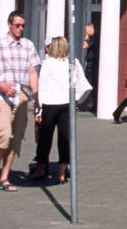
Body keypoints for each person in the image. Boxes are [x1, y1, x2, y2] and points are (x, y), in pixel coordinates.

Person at [0, 11, 41, 191]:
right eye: (17, 25)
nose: (20, 28)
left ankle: (5, 176)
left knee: (16, 138)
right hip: (2, 95)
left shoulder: (28, 45)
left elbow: (32, 72)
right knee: (4, 134)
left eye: (23, 25)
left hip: (22, 95)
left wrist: (37, 97)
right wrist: (1, 85)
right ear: (9, 25)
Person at [29, 36, 90, 183]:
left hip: (50, 105)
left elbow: (42, 87)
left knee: (45, 138)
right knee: (65, 138)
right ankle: (62, 173)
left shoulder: (48, 63)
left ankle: (41, 168)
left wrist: (38, 109)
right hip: (66, 105)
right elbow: (74, 83)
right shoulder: (71, 63)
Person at [79, 21, 99, 113]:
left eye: (86, 30)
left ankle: (83, 104)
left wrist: (86, 36)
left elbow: (85, 46)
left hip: (92, 64)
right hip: (92, 63)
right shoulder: (95, 37)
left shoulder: (94, 37)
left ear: (91, 28)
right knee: (92, 84)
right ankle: (93, 105)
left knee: (87, 84)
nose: (86, 32)